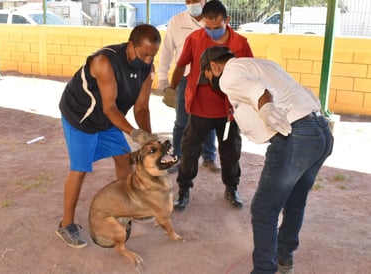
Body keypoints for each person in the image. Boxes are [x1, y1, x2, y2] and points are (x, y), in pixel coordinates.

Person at [199, 46, 334, 274]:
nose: (211, 81)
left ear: (213, 66)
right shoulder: (263, 65)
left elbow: (259, 92)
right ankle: (284, 259)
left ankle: (264, 270)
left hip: (295, 135)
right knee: (294, 201)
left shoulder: (229, 74)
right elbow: (303, 92)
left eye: (208, 76)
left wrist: (266, 107)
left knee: (263, 210)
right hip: (320, 132)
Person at [57, 24, 161, 248]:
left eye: (153, 55)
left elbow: (141, 107)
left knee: (124, 159)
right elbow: (110, 109)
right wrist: (134, 133)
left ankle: (125, 208)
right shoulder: (104, 62)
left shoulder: (147, 66)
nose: (148, 60)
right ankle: (66, 224)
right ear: (131, 46)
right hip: (81, 117)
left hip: (108, 119)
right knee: (80, 169)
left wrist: (149, 137)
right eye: (144, 54)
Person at [168, 0, 254, 210]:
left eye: (217, 28)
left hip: (228, 112)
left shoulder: (240, 43)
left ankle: (231, 188)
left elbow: (250, 72)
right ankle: (183, 190)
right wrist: (171, 89)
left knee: (230, 151)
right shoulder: (195, 39)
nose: (212, 32)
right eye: (208, 27)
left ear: (228, 21)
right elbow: (180, 65)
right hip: (199, 109)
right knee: (189, 151)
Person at [157, 0, 220, 173]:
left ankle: (209, 157)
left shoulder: (214, 21)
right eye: (188, 0)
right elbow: (167, 52)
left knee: (209, 119)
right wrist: (163, 80)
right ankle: (177, 157)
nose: (192, 3)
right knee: (182, 121)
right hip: (184, 79)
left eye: (196, 0)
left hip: (210, 79)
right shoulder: (176, 21)